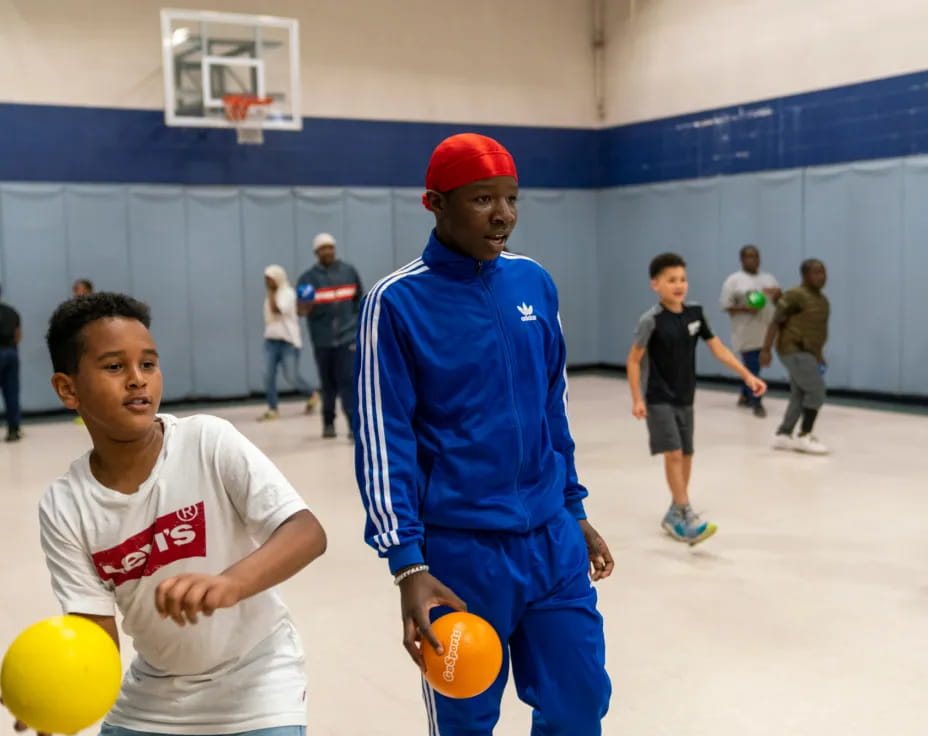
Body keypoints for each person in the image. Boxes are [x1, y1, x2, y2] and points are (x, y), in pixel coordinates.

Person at [355, 133, 613, 735]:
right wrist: (406, 564)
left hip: (551, 543)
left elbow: (554, 408)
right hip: (461, 556)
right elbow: (383, 439)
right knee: (466, 722)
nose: (503, 216)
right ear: (434, 203)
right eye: (481, 199)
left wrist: (573, 508)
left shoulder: (533, 284)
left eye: (511, 199)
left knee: (580, 704)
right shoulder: (396, 302)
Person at [7, 292, 327, 736]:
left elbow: (306, 532)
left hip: (257, 682)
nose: (138, 380)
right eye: (115, 367)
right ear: (68, 389)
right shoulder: (65, 505)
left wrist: (231, 583)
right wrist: (55, 691)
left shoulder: (207, 441)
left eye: (149, 364)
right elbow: (95, 631)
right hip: (154, 696)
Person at [626, 253, 767, 545]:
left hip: (685, 396)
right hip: (657, 397)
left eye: (682, 279)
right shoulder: (650, 321)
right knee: (674, 453)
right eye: (671, 280)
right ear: (656, 284)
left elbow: (719, 350)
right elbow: (634, 360)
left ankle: (676, 510)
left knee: (687, 454)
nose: (679, 285)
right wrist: (637, 398)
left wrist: (747, 376)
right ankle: (685, 512)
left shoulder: (696, 314)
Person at [761, 258, 830, 455]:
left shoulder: (822, 300)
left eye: (823, 272)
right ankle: (804, 435)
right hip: (793, 350)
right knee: (817, 391)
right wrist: (766, 350)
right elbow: (776, 322)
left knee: (799, 394)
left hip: (808, 353)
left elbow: (817, 331)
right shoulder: (795, 296)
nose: (821, 277)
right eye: (816, 273)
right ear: (804, 276)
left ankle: (783, 435)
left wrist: (819, 355)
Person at [296, 234, 362, 439]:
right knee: (328, 384)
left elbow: (359, 301)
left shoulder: (349, 272)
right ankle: (328, 423)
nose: (327, 251)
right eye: (322, 248)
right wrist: (304, 304)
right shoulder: (307, 279)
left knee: (347, 380)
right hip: (322, 340)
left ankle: (353, 425)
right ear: (316, 253)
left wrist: (355, 327)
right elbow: (301, 311)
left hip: (346, 338)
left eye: (330, 247)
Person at [719, 244, 781, 418]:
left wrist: (777, 295)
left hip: (765, 329)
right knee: (753, 365)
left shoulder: (768, 278)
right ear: (742, 259)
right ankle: (757, 402)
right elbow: (726, 305)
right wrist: (745, 308)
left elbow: (778, 300)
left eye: (756, 256)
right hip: (745, 330)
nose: (753, 260)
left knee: (754, 365)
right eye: (749, 257)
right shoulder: (734, 281)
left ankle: (745, 394)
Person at [259, 265, 318, 421]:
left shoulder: (287, 293)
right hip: (271, 340)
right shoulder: (271, 295)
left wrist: (272, 292)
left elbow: (277, 309)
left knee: (291, 376)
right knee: (267, 375)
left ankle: (311, 394)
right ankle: (273, 409)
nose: (267, 282)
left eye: (270, 279)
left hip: (288, 342)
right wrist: (271, 292)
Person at [0, 284, 22, 442]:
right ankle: (14, 429)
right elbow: (18, 336)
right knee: (12, 393)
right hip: (11, 353)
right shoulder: (12, 312)